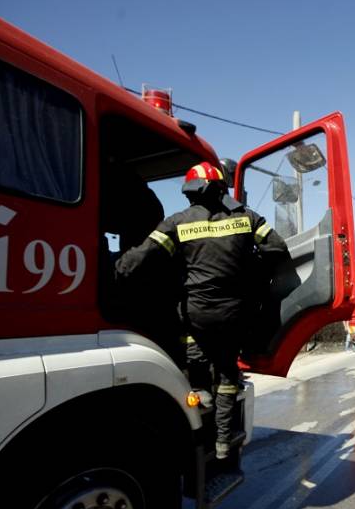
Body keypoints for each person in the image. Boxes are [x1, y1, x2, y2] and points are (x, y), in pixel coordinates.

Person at [117, 162, 289, 460]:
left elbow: (140, 259)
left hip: (195, 316)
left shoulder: (177, 222)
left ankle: (198, 393)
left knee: (191, 353)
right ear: (222, 188)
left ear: (189, 192)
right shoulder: (246, 217)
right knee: (226, 375)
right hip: (233, 316)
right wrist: (251, 273)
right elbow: (277, 247)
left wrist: (110, 273)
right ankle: (223, 444)